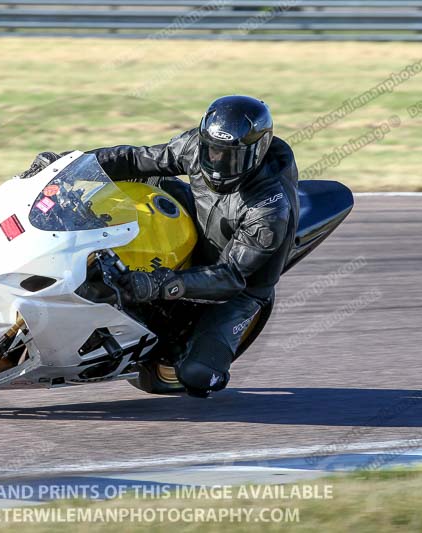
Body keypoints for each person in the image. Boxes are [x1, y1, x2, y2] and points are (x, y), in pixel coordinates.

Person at [19, 95, 299, 397]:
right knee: (133, 187)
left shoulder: (268, 211)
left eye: (229, 156)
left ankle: (200, 360)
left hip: (238, 285)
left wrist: (160, 284)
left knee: (198, 376)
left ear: (256, 154)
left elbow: (231, 276)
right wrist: (67, 167)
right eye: (212, 151)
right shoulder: (197, 146)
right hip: (199, 218)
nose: (217, 161)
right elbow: (136, 158)